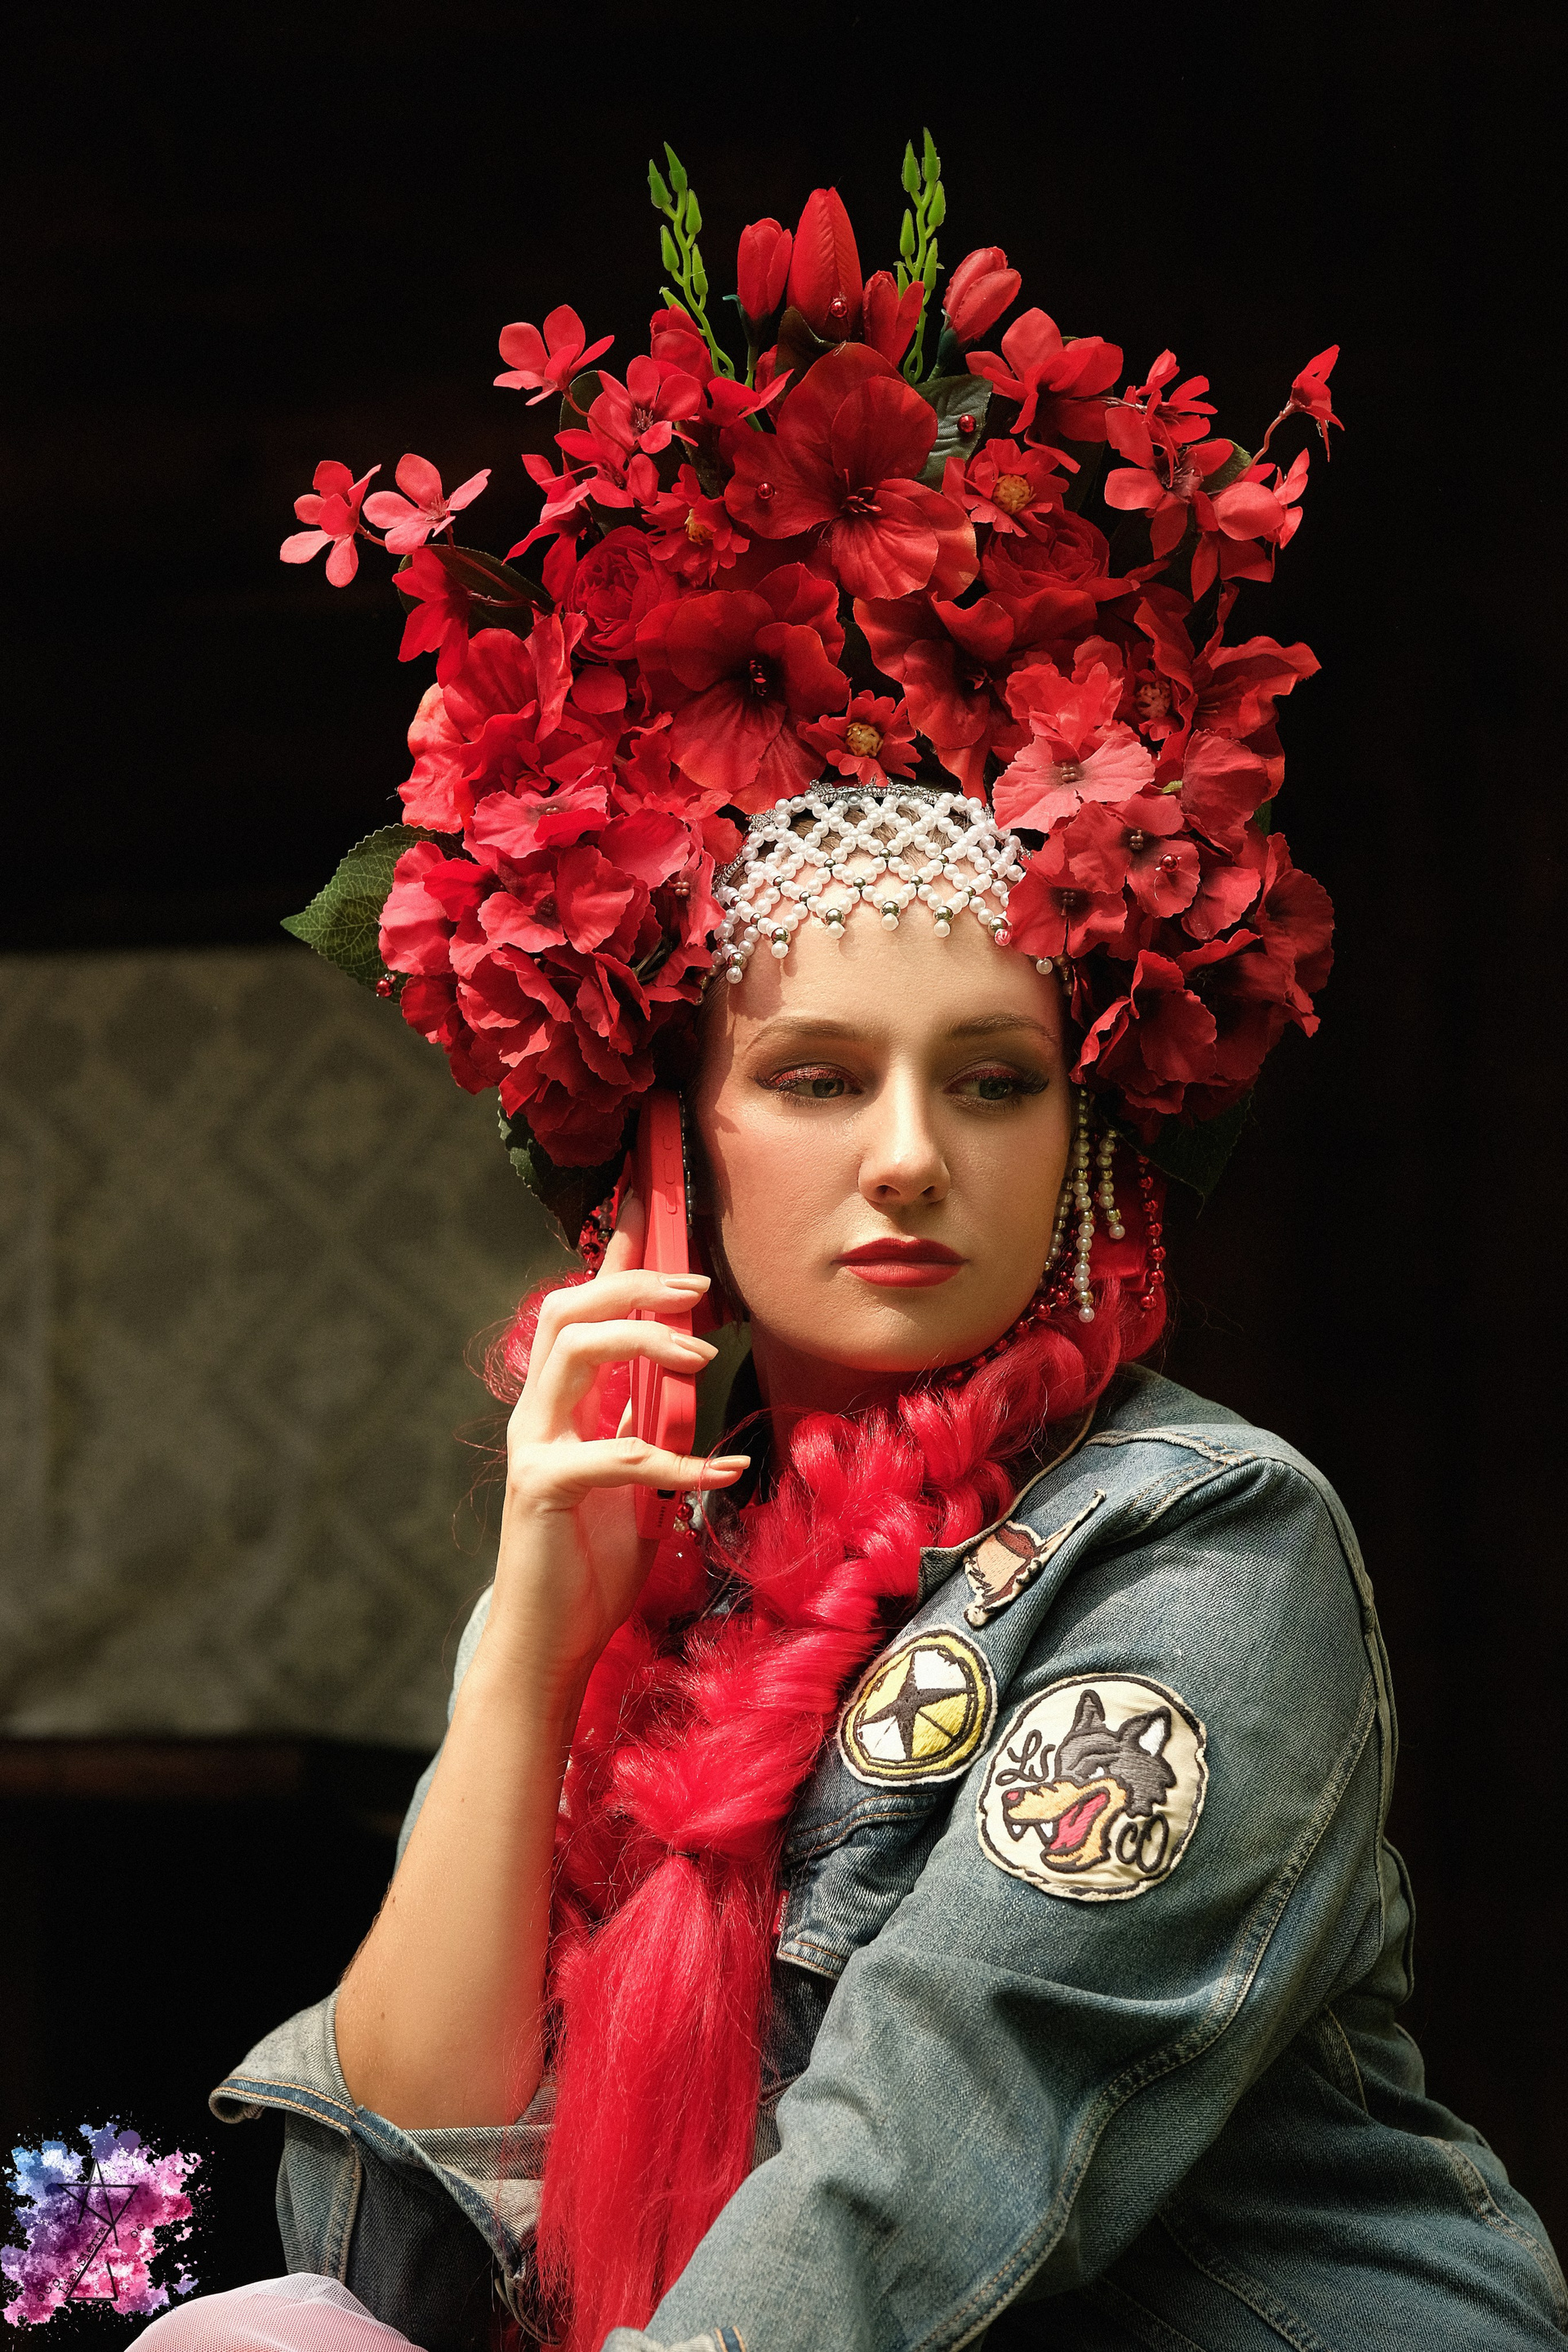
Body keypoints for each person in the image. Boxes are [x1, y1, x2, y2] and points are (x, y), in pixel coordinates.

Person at [134, 149, 1565, 2352]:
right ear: (672, 1151)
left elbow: (914, 2173)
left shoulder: (1202, 1547)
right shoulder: (653, 1576)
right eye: (815, 1079)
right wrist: (531, 1646)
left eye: (991, 1081)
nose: (909, 1159)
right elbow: (382, 2231)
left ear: (1085, 1139)